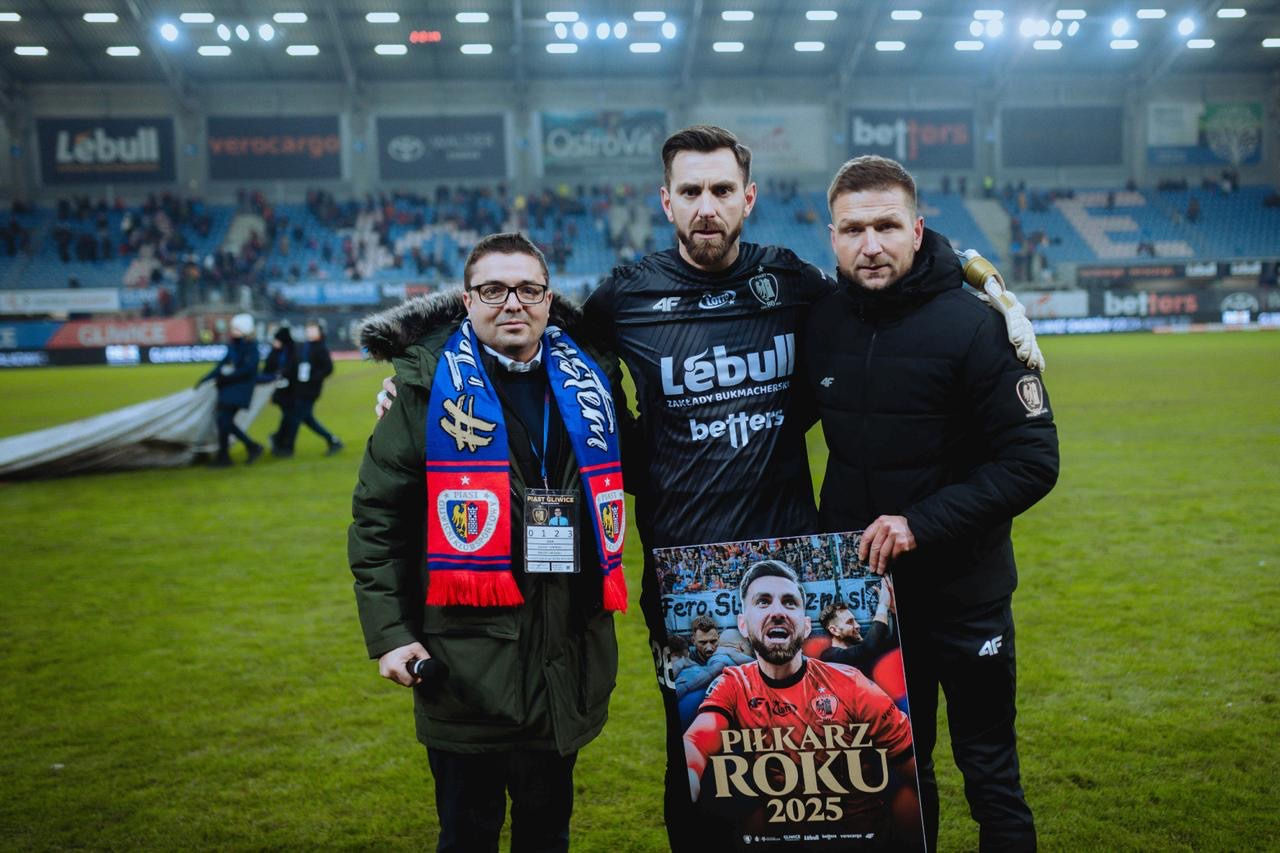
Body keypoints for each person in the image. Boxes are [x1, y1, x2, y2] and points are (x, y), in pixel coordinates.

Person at [372, 126, 1043, 850]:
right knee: (699, 768)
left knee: (807, 771)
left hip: (793, 570)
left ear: (747, 198)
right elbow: (530, 330)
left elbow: (887, 292)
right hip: (685, 576)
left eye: (722, 190)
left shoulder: (792, 283)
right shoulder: (625, 296)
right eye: (690, 191)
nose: (706, 206)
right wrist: (427, 378)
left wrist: (990, 290)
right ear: (666, 201)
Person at [807, 155, 1060, 852]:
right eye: (853, 229)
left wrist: (920, 523)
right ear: (832, 238)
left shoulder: (976, 326)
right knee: (895, 777)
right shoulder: (823, 322)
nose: (871, 244)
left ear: (917, 230)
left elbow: (1033, 462)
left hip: (966, 597)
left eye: (887, 226)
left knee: (990, 773)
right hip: (871, 605)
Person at [348, 232, 629, 852]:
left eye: (528, 289)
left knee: (546, 835)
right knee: (467, 836)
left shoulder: (593, 381)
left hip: (565, 659)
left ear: (549, 299)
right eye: (494, 289)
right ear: (467, 300)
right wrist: (390, 634)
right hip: (464, 670)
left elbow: (648, 462)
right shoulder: (424, 389)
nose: (513, 303)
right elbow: (377, 519)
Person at [682, 560, 921, 846]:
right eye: (763, 602)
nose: (777, 612)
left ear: (806, 626)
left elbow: (915, 769)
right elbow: (697, 741)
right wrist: (689, 776)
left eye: (789, 602)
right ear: (743, 625)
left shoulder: (851, 684)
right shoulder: (733, 684)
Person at [198, 312, 264, 467]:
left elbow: (248, 370)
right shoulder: (234, 346)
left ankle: (230, 454)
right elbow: (221, 365)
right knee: (223, 422)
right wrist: (206, 378)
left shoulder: (251, 348)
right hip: (229, 389)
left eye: (236, 328)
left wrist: (226, 378)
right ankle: (239, 451)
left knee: (224, 421)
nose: (233, 331)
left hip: (240, 390)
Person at [276, 321, 343, 457]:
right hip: (300, 388)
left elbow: (328, 368)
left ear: (320, 332)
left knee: (296, 417)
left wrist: (314, 377)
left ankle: (288, 448)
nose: (310, 332)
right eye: (309, 330)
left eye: (313, 330)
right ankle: (333, 440)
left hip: (310, 390)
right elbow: (295, 364)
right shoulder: (304, 346)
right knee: (306, 418)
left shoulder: (320, 348)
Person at [818, 576, 895, 677]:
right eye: (850, 622)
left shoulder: (858, 650)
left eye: (855, 621)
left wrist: (894, 610)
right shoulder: (829, 657)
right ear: (834, 630)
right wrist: (883, 605)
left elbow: (893, 644)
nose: (858, 625)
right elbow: (866, 649)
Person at [264, 327, 296, 455]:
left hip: (292, 391)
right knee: (289, 417)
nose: (274, 342)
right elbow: (267, 369)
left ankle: (280, 441)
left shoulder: (292, 352)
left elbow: (293, 369)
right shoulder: (275, 353)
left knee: (290, 417)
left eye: (277, 340)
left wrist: (283, 374)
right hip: (279, 391)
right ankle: (281, 442)